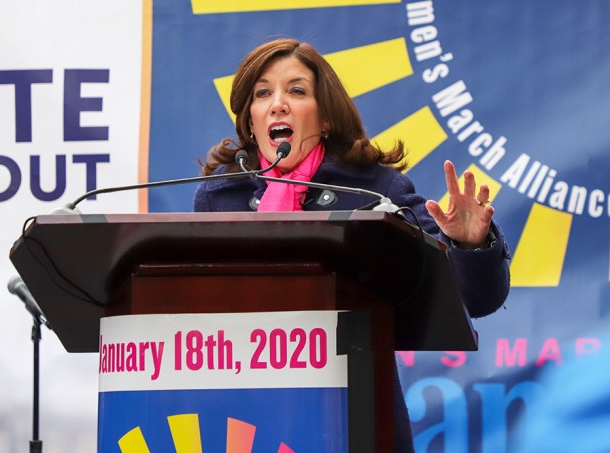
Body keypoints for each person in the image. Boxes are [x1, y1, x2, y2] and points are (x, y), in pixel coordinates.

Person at [194, 38, 511, 452]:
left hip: (352, 417)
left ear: (325, 118)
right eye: (262, 94)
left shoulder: (377, 191)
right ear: (251, 122)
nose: (278, 104)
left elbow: (475, 297)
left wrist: (469, 245)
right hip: (243, 419)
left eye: (296, 90)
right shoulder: (220, 199)